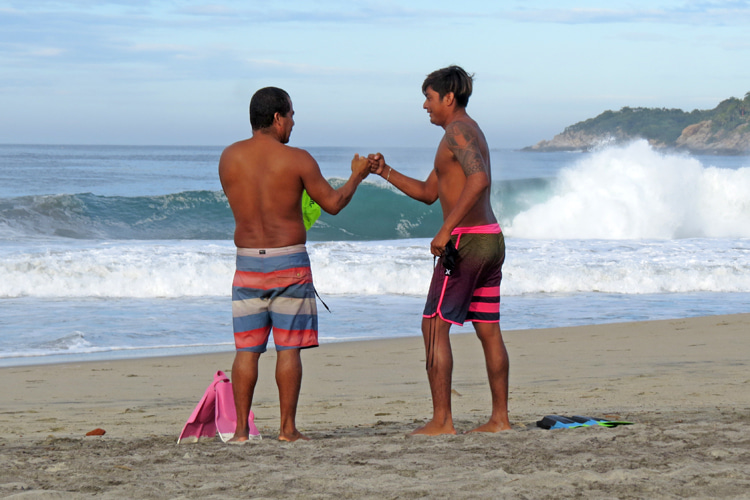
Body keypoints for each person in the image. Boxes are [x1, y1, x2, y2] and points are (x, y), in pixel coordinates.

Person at [219, 87, 369, 442]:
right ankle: (287, 429)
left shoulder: (229, 157)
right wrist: (357, 175)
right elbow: (332, 204)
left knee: (246, 350)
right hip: (288, 260)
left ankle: (241, 431)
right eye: (291, 115)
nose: (293, 122)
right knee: (288, 347)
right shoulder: (297, 159)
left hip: (246, 263)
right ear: (276, 118)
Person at [368, 66, 511, 435]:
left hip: (467, 240)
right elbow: (430, 192)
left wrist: (447, 229)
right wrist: (385, 172)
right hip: (490, 238)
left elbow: (479, 179)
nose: (424, 105)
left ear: (449, 97)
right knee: (488, 328)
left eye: (429, 97)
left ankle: (442, 421)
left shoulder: (458, 131)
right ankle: (499, 420)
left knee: (433, 326)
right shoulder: (463, 131)